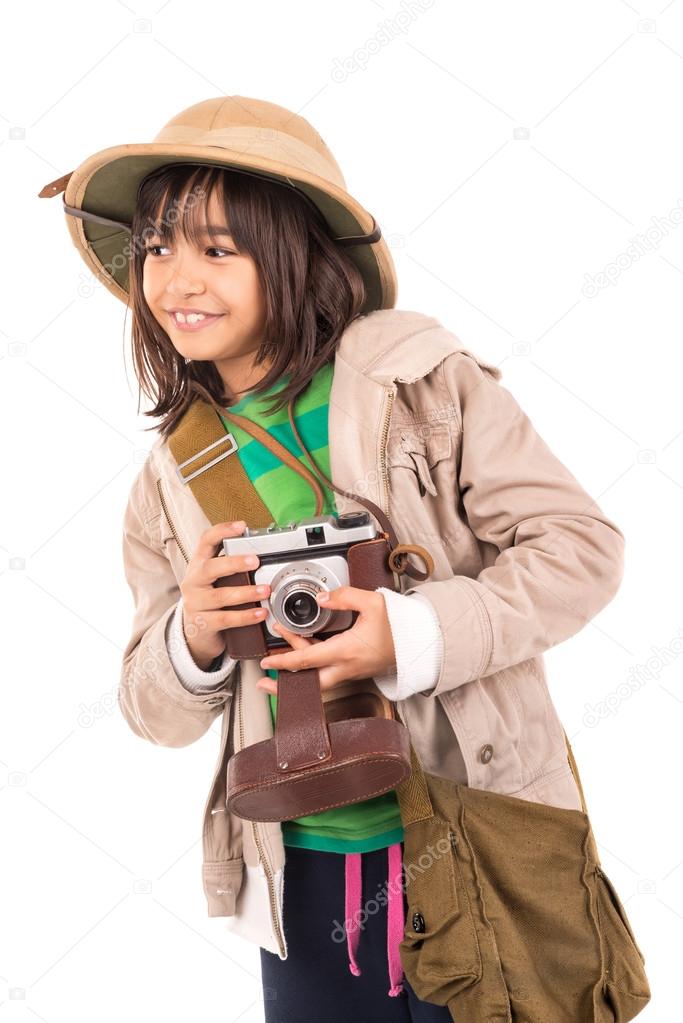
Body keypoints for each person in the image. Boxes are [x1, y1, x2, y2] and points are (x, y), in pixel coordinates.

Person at [40, 95, 625, 1022]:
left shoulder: (418, 382)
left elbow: (580, 548)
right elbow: (148, 710)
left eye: (216, 248)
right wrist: (192, 636)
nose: (174, 278)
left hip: (482, 835)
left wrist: (411, 631)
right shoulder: (174, 473)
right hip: (298, 872)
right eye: (155, 246)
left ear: (295, 255)